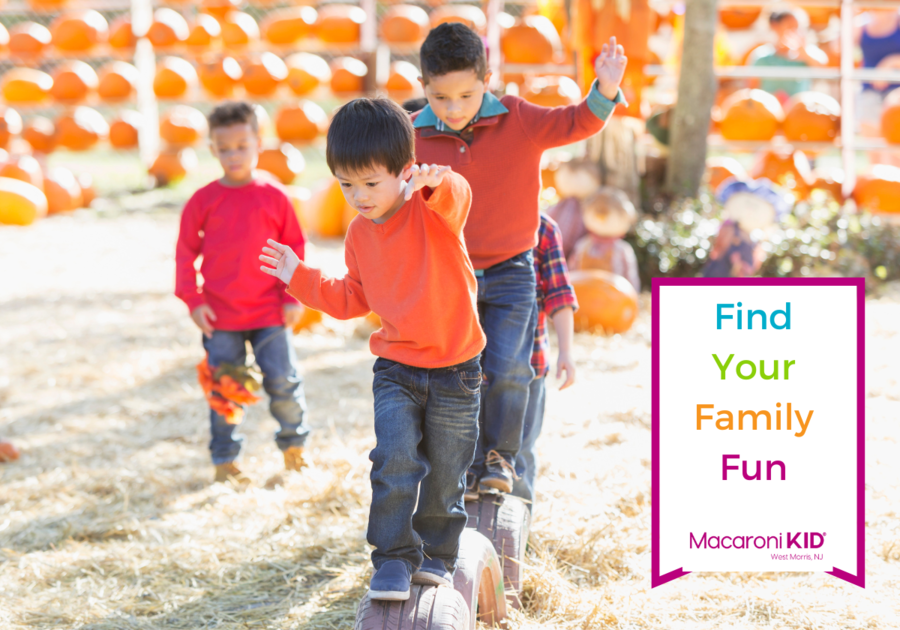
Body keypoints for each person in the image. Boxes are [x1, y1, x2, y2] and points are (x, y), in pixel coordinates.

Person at [258, 98, 484, 601]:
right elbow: (352, 298)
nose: (358, 196)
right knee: (393, 461)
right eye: (346, 185)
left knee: (448, 472)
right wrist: (299, 276)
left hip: (456, 370)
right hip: (398, 369)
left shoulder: (433, 207)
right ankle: (392, 558)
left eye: (370, 183)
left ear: (404, 173)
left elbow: (459, 196)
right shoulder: (360, 233)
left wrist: (437, 180)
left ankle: (438, 556)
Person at [412, 23, 626, 495]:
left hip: (512, 270)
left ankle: (501, 459)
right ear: (424, 87)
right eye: (440, 98)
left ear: (486, 81)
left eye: (465, 96)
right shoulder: (414, 137)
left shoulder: (518, 118)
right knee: (459, 374)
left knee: (510, 366)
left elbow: (576, 121)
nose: (452, 109)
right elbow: (381, 189)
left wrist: (606, 88)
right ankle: (462, 462)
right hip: (453, 275)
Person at [175, 102, 310, 485]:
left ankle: (295, 450)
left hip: (270, 313)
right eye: (224, 147)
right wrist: (194, 300)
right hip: (221, 317)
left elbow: (294, 248)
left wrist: (292, 295)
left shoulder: (275, 196)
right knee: (224, 390)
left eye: (242, 145)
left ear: (258, 143)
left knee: (283, 382)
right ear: (212, 149)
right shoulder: (202, 201)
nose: (234, 154)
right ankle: (225, 461)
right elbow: (185, 254)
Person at [469, 214, 578, 510]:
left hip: (528, 367)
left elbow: (559, 294)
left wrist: (566, 350)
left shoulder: (542, 228)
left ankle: (516, 535)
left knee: (519, 453)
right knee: (468, 460)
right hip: (469, 373)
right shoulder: (466, 221)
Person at [749, 9, 827, 103]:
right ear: (775, 26)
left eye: (798, 28)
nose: (794, 32)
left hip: (800, 112)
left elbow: (825, 70)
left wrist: (804, 53)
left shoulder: (808, 53)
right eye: (790, 26)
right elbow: (751, 90)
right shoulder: (761, 56)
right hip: (768, 112)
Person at [857, 8, 900, 166]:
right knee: (874, 154)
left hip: (897, 96)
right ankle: (879, 189)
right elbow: (838, 51)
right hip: (870, 94)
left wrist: (891, 63)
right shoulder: (861, 23)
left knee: (896, 153)